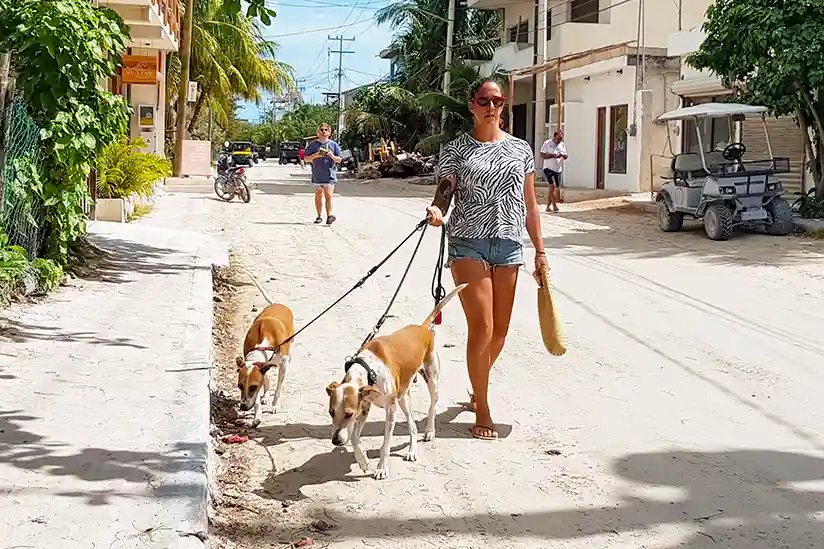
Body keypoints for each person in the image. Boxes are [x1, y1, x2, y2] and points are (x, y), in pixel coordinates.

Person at [425, 79, 548, 440]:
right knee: (482, 328)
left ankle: (477, 384)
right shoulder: (456, 150)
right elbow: (445, 192)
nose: (491, 106)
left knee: (500, 333)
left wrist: (540, 251)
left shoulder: (521, 149)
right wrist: (437, 209)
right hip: (468, 244)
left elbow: (530, 205)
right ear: (472, 105)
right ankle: (483, 407)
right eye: (484, 100)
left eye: (498, 101)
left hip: (509, 245)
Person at [303, 124, 342, 225]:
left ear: (329, 132)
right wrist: (316, 155)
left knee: (329, 195)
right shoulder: (313, 145)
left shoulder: (334, 145)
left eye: (326, 130)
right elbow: (306, 158)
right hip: (317, 175)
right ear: (318, 132)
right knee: (318, 195)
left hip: (329, 175)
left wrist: (331, 155)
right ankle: (319, 216)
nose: (324, 131)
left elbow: (339, 159)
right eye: (322, 130)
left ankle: (329, 216)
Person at [540, 130, 567, 212]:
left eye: (561, 139)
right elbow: (542, 155)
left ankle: (548, 205)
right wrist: (552, 155)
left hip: (558, 169)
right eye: (558, 139)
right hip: (548, 168)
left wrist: (563, 155)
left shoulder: (562, 145)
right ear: (554, 137)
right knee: (552, 185)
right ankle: (554, 204)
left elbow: (565, 155)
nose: (559, 141)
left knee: (554, 188)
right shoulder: (547, 143)